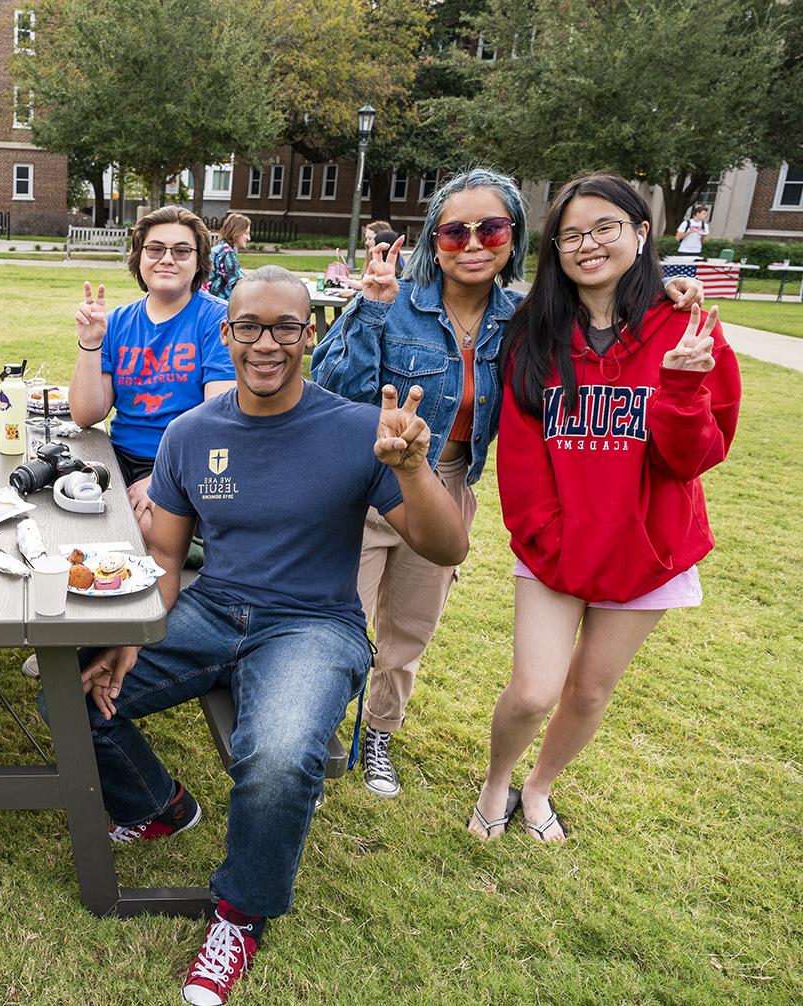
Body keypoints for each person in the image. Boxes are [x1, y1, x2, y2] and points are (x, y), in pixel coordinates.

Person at [62, 266, 468, 1006]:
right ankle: (159, 806)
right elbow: (165, 558)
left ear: (309, 336)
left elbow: (446, 550)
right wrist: (132, 633)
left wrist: (414, 470)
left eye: (286, 327)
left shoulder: (356, 430)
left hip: (312, 624)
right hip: (212, 608)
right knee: (72, 688)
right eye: (249, 326)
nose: (267, 343)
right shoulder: (190, 435)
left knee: (279, 756)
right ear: (227, 334)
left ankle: (240, 914)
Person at [310, 168, 705, 800]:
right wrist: (368, 313)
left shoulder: (528, 319)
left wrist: (668, 287)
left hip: (442, 484)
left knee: (410, 629)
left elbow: (610, 300)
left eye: (490, 227)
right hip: (363, 476)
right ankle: (320, 731)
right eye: (453, 230)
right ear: (431, 240)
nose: (472, 242)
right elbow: (328, 391)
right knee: (337, 622)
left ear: (514, 237)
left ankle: (379, 732)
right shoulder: (394, 300)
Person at [470, 174, 740, 844]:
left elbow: (696, 458)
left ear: (641, 234)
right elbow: (523, 459)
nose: (588, 245)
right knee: (534, 690)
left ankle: (539, 789)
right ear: (555, 250)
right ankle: (498, 779)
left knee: (588, 692)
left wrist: (679, 387)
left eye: (605, 228)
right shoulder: (534, 334)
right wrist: (548, 537)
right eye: (570, 235)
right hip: (557, 546)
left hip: (647, 550)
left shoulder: (687, 324)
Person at [68, 206, 234, 538]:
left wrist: (161, 479)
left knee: (142, 526)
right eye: (155, 249)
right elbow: (86, 415)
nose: (167, 259)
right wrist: (90, 343)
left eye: (181, 250)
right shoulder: (116, 322)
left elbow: (217, 421)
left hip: (184, 460)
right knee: (63, 508)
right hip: (117, 456)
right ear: (140, 258)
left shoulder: (218, 321)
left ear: (199, 260)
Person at [205, 212, 251, 300]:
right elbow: (239, 284)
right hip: (222, 306)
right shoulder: (227, 253)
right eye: (246, 233)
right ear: (236, 232)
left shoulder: (220, 249)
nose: (249, 238)